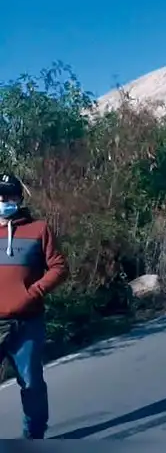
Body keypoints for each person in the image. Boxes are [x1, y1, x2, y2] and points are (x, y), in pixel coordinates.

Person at [0, 172, 69, 439]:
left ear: (19, 198)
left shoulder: (38, 229)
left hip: (27, 323)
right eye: (1, 196)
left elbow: (59, 267)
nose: (5, 200)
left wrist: (35, 291)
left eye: (10, 195)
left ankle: (34, 437)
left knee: (32, 384)